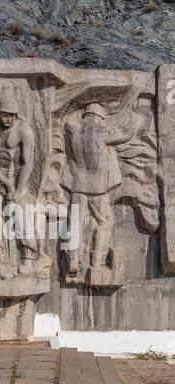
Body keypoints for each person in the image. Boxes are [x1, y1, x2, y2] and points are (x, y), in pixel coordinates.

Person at [64, 103, 131, 274]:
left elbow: (68, 122)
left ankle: (73, 260)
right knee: (106, 222)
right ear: (98, 118)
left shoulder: (73, 129)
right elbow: (126, 134)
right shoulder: (103, 132)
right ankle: (97, 261)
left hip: (77, 186)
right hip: (98, 189)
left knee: (75, 224)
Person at [0, 96, 36, 276]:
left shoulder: (24, 131)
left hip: (16, 179)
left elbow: (27, 163)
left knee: (22, 212)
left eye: (11, 115)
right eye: (4, 115)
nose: (8, 119)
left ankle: (27, 256)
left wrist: (18, 191)